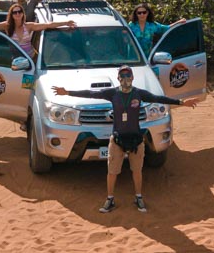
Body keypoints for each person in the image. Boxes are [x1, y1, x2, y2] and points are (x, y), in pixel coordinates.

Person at [52, 65, 201, 213]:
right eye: (122, 76)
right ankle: (110, 199)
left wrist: (182, 102)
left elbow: (158, 98)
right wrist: (67, 92)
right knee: (112, 172)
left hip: (136, 140)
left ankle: (138, 197)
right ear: (118, 78)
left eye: (128, 75)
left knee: (137, 171)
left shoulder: (139, 94)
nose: (125, 79)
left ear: (132, 77)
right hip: (117, 140)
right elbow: (91, 94)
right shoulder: (112, 93)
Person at [0, 4, 78, 59]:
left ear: (22, 14)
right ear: (11, 15)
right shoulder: (7, 26)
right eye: (15, 12)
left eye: (19, 12)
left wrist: (65, 23)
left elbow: (48, 25)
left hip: (32, 58)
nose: (17, 14)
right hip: (17, 59)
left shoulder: (29, 26)